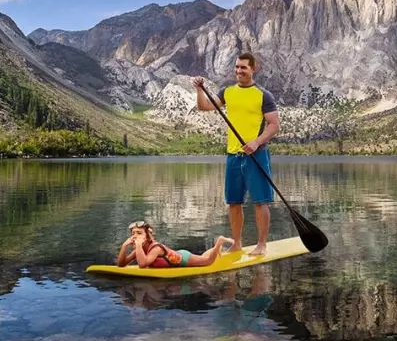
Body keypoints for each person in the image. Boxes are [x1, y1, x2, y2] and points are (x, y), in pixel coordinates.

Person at [192, 52, 280, 256]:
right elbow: (204, 106)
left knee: (260, 201)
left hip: (256, 155)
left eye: (244, 67)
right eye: (237, 67)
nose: (239, 71)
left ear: (253, 69)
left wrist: (256, 142)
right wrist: (199, 90)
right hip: (233, 156)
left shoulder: (263, 95)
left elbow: (274, 125)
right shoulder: (227, 92)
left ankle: (261, 245)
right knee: (233, 202)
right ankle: (237, 243)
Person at [116, 220, 234, 268]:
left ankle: (219, 242)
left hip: (183, 258)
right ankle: (215, 249)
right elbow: (121, 264)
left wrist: (137, 246)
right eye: (133, 233)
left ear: (147, 235)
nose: (135, 235)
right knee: (203, 257)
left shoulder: (155, 248)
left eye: (139, 233)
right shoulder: (140, 248)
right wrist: (124, 247)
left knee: (208, 262)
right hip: (177, 255)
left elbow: (142, 264)